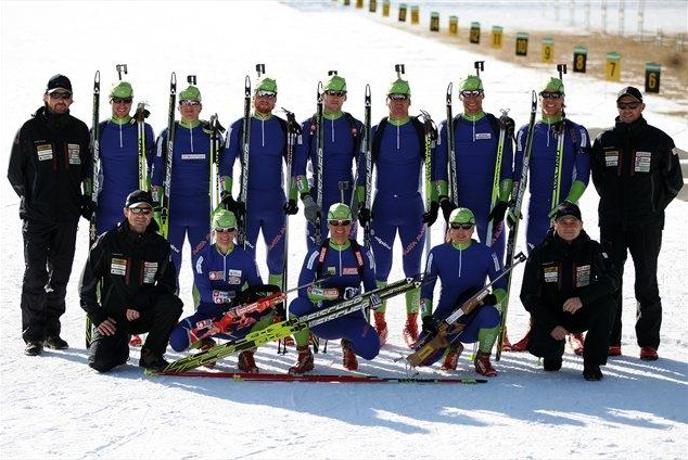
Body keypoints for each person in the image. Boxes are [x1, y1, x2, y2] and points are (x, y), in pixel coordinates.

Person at [591, 87, 683, 360]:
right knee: (610, 279)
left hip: (647, 224)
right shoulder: (605, 140)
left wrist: (653, 207)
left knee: (646, 281)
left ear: (642, 107)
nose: (627, 110)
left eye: (632, 105)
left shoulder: (659, 140)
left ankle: (648, 342)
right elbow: (599, 179)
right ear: (617, 107)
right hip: (612, 222)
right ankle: (611, 339)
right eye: (622, 105)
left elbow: (673, 182)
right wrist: (612, 203)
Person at [8, 74, 91, 356]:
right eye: (55, 95)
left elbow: (87, 171)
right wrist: (29, 200)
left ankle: (51, 331)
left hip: (67, 215)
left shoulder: (79, 130)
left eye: (65, 96)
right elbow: (14, 172)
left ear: (71, 100)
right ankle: (33, 334)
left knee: (60, 275)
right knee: (35, 273)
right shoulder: (30, 129)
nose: (60, 100)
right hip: (37, 217)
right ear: (45, 97)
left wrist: (84, 200)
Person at [509, 77, 591, 352]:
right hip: (537, 211)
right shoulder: (527, 132)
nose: (550, 100)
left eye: (555, 96)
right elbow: (519, 172)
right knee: (539, 275)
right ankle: (537, 328)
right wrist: (515, 204)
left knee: (572, 272)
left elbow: (583, 175)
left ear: (562, 99)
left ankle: (575, 331)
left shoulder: (576, 132)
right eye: (546, 96)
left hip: (565, 215)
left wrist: (567, 205)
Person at [357, 75, 436, 348]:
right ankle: (380, 322)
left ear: (410, 102)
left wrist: (434, 202)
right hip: (383, 208)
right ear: (387, 101)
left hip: (413, 206)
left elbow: (433, 169)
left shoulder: (419, 130)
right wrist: (362, 205)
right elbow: (363, 173)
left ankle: (412, 323)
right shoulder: (378, 131)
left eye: (403, 99)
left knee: (413, 269)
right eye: (394, 99)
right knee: (381, 268)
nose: (399, 104)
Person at [80, 190, 183, 372]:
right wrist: (98, 317)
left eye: (146, 211)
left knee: (172, 304)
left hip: (142, 313)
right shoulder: (108, 241)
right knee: (99, 363)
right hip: (114, 317)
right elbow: (86, 286)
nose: (141, 216)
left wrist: (139, 304)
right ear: (126, 212)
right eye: (136, 210)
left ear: (151, 214)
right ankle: (120, 347)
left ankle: (151, 354)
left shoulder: (160, 246)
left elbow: (168, 286)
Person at [168, 208, 276, 373]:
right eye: (220, 231)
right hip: (209, 315)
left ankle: (247, 352)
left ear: (235, 231)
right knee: (177, 341)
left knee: (268, 312)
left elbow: (258, 289)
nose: (225, 236)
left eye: (229, 230)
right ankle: (206, 343)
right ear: (213, 231)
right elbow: (205, 293)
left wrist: (255, 306)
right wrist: (234, 297)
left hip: (238, 316)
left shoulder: (246, 257)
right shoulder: (202, 257)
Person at [520, 202, 618, 381]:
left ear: (581, 225)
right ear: (555, 225)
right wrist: (551, 324)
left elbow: (611, 281)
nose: (568, 226)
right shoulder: (541, 253)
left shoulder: (593, 249)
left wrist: (583, 299)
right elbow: (527, 295)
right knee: (551, 365)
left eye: (573, 222)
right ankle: (553, 352)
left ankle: (592, 363)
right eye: (563, 222)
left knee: (608, 303)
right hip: (552, 315)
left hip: (581, 311)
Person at [288, 203, 378, 373]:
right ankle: (304, 355)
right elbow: (303, 291)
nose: (340, 228)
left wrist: (376, 301)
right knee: (296, 307)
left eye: (345, 223)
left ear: (351, 225)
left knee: (371, 349)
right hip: (323, 320)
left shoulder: (363, 254)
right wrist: (330, 294)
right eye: (335, 223)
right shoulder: (316, 254)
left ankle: (349, 345)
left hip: (352, 319)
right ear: (328, 224)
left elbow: (372, 289)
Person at [433, 74, 514, 263]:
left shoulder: (496, 126)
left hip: (489, 206)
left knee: (495, 263)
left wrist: (502, 202)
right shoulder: (449, 127)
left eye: (476, 93)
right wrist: (444, 200)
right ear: (460, 97)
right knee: (454, 263)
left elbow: (506, 169)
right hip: (458, 205)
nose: (471, 98)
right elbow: (439, 169)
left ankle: (497, 293)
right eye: (466, 94)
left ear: (483, 95)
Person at [151, 84, 226, 283]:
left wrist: (225, 198)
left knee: (201, 265)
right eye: (185, 103)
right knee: (171, 264)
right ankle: (168, 313)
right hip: (174, 211)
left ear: (201, 107)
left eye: (194, 104)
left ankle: (203, 312)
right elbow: (156, 174)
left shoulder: (210, 135)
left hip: (201, 212)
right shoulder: (168, 135)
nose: (190, 108)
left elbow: (223, 169)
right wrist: (156, 207)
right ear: (178, 108)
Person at [419, 208, 506, 377]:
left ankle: (483, 357)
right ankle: (453, 347)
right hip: (445, 317)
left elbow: (502, 287)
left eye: (466, 227)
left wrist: (492, 299)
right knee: (423, 358)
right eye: (456, 226)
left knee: (491, 314)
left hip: (472, 315)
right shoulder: (437, 253)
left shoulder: (487, 253)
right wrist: (426, 317)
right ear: (449, 228)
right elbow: (426, 290)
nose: (460, 231)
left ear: (473, 229)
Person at [222, 76, 290, 289]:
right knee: (246, 259)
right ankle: (247, 306)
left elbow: (295, 167)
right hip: (248, 204)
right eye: (261, 95)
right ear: (253, 98)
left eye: (270, 96)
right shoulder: (240, 126)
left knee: (277, 260)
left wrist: (297, 196)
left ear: (276, 100)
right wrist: (226, 194)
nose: (265, 100)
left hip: (275, 204)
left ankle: (276, 306)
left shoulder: (283, 127)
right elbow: (225, 165)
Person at [294, 73, 363, 252]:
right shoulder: (309, 127)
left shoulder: (354, 126)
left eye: (340, 94)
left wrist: (359, 198)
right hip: (318, 198)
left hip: (346, 196)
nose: (335, 97)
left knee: (347, 251)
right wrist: (306, 198)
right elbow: (298, 168)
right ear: (322, 95)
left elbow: (363, 168)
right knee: (315, 253)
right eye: (331, 92)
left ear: (345, 97)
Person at [95, 80, 155, 234]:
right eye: (117, 100)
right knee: (103, 254)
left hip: (134, 207)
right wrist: (88, 198)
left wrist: (152, 197)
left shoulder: (143, 130)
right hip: (106, 205)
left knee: (133, 255)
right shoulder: (99, 130)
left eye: (127, 101)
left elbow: (153, 166)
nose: (122, 105)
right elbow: (90, 167)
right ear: (111, 101)